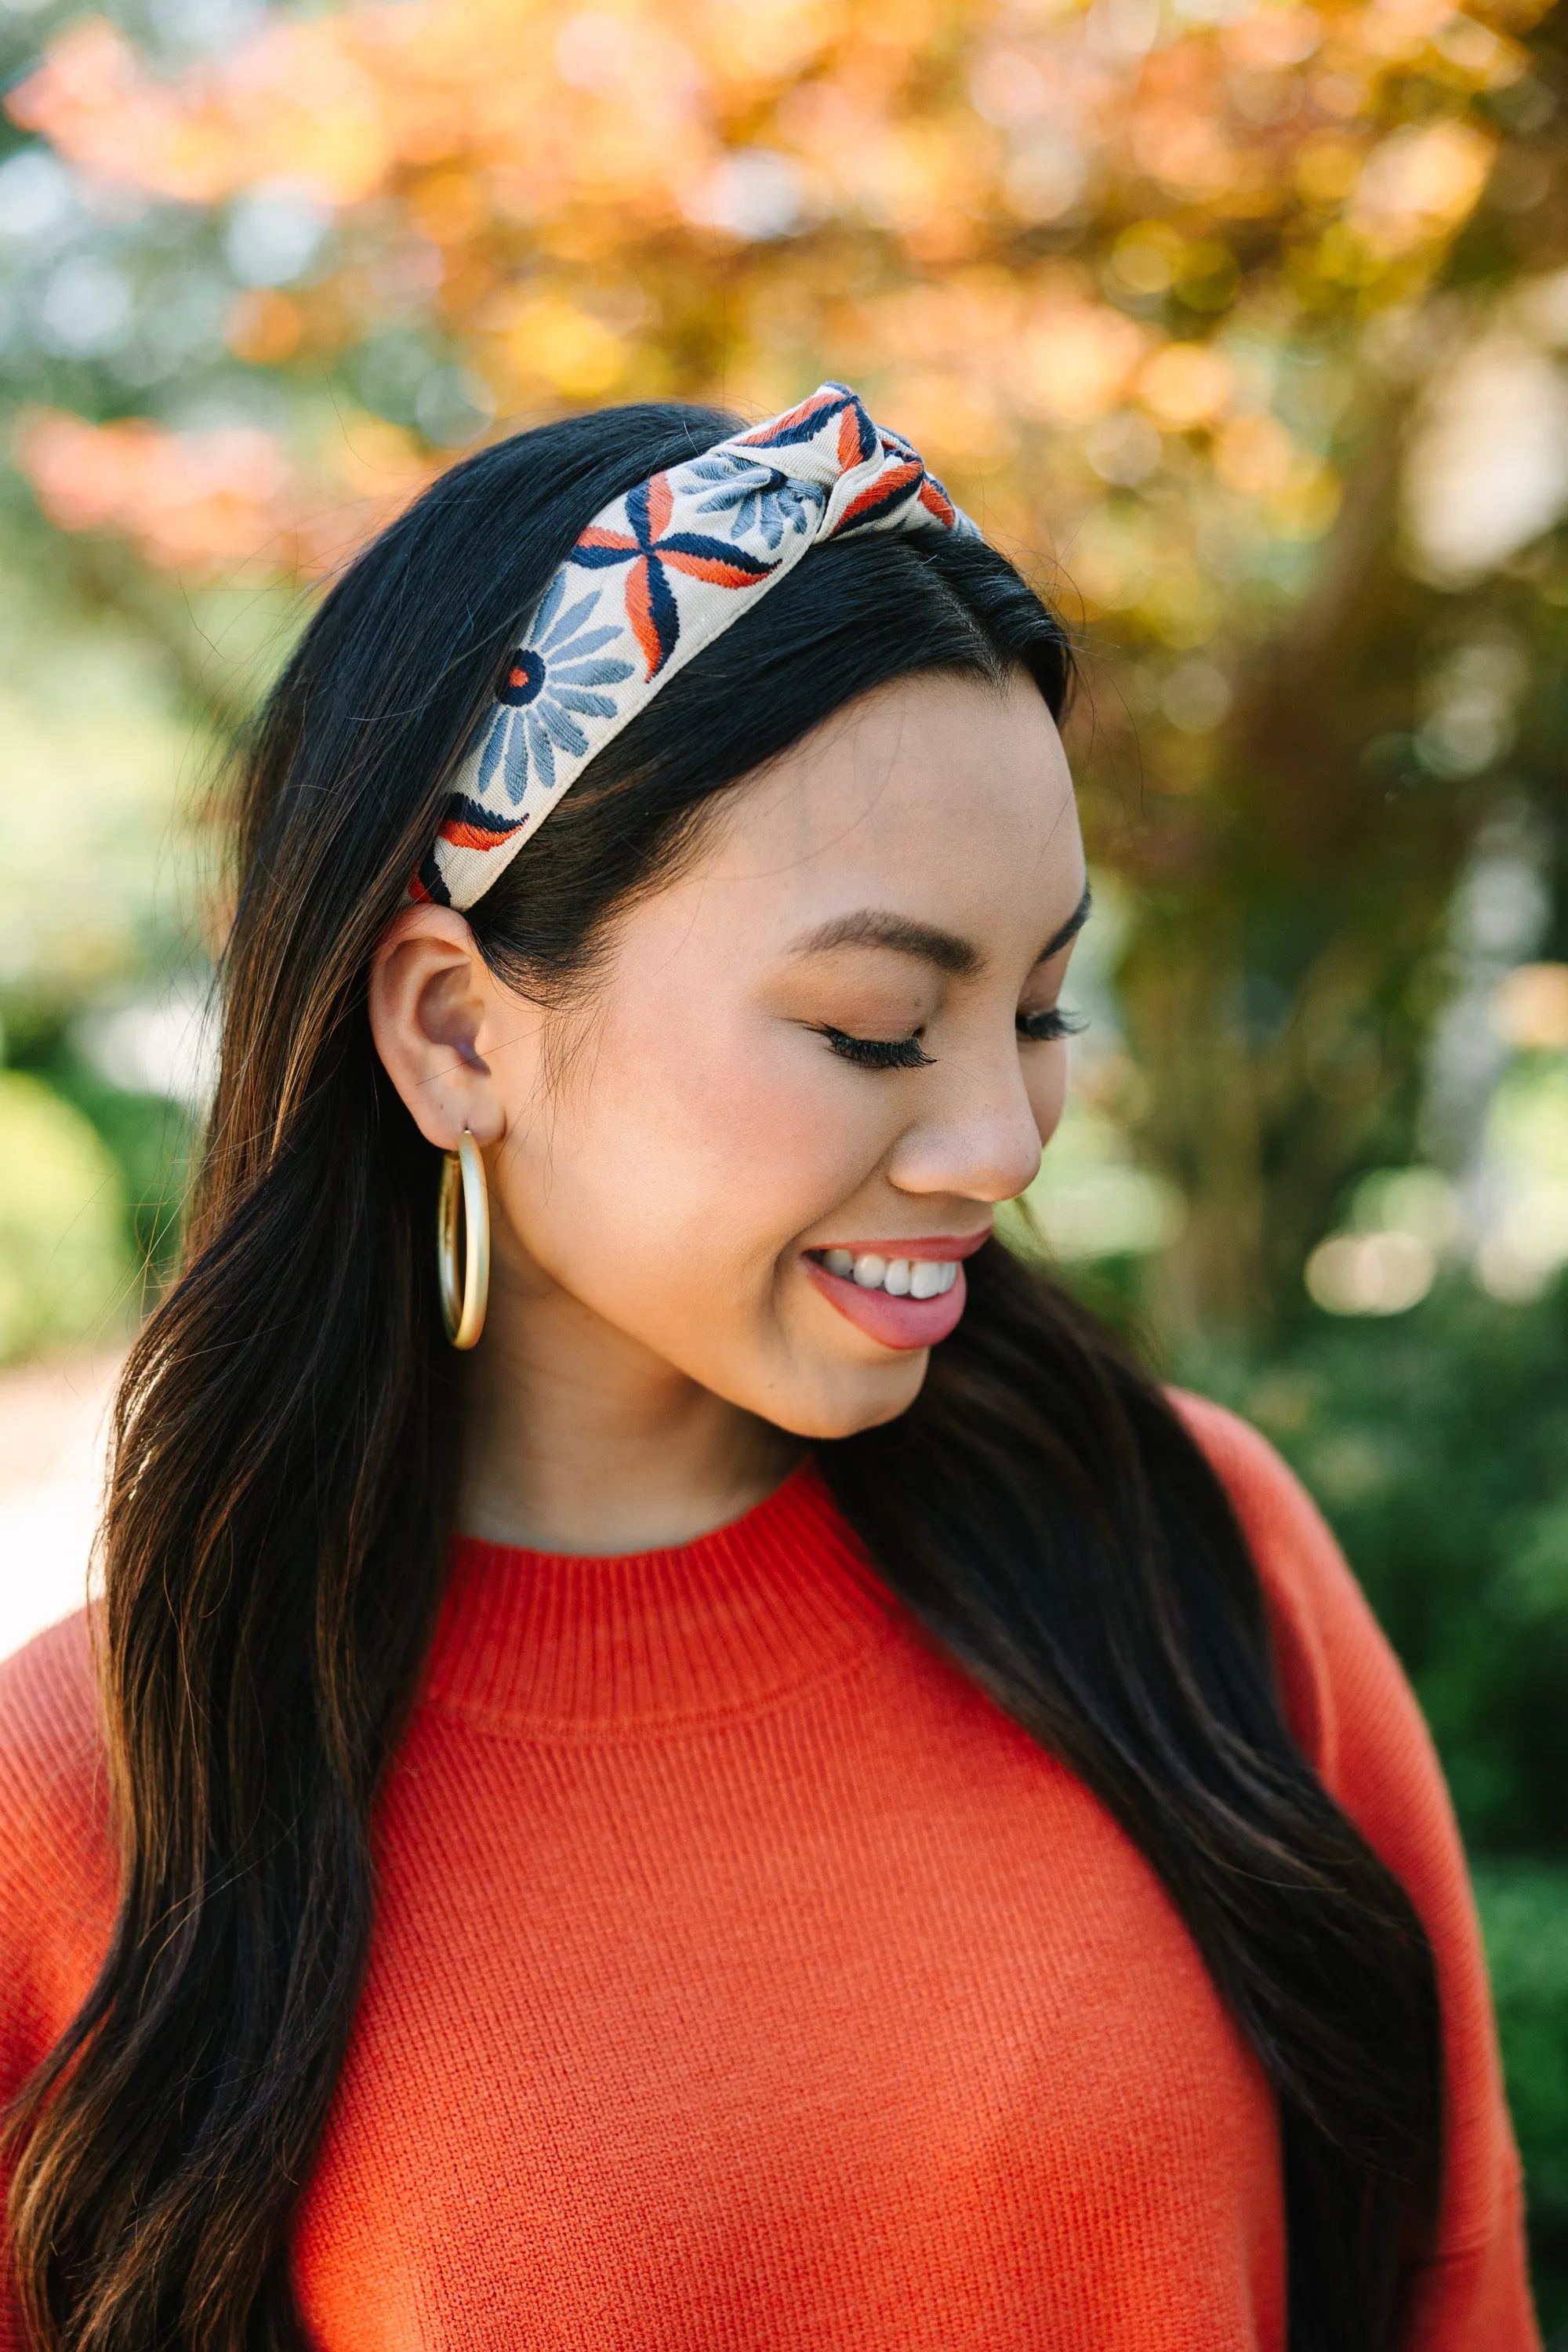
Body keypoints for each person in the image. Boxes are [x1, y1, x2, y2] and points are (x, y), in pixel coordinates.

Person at [0, 385, 1537, 2352]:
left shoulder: (1188, 1556)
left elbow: (1449, 2294)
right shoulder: (95, 1811)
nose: (1001, 1138)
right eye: (879, 1026)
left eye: (1044, 1004)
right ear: (458, 1029)